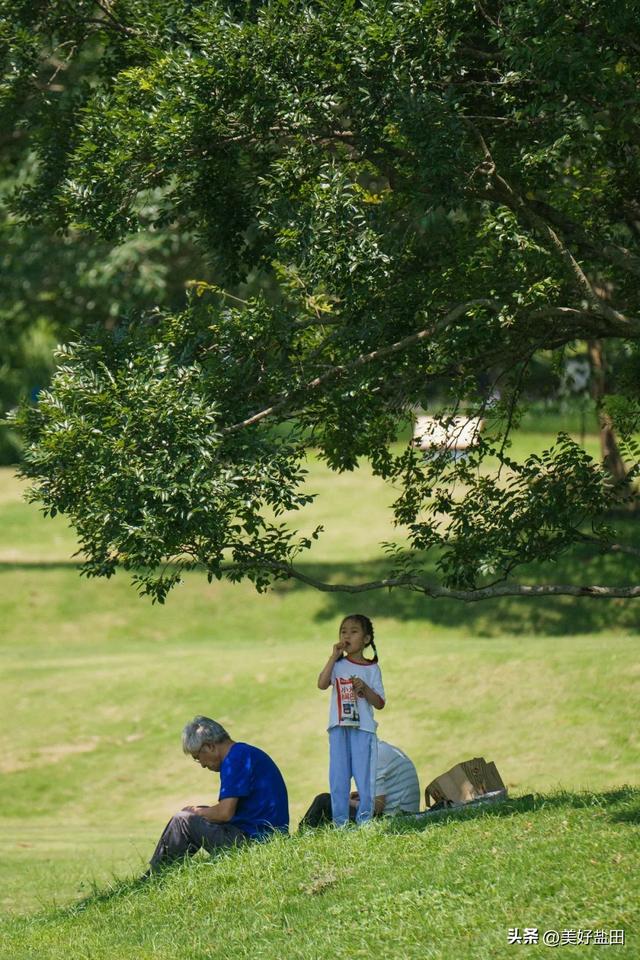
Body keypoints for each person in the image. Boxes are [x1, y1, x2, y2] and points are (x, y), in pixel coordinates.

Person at [146, 716, 289, 872]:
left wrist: (195, 812)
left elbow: (224, 813)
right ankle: (164, 870)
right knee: (193, 815)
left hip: (256, 843)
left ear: (210, 747)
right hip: (268, 837)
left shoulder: (235, 759)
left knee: (183, 820)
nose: (202, 765)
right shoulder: (244, 753)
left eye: (197, 757)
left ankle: (155, 875)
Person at [317, 614, 385, 826]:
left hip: (363, 728)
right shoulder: (337, 665)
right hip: (339, 727)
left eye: (353, 631)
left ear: (366, 639)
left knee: (364, 777)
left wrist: (364, 688)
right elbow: (321, 683)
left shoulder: (372, 668)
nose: (347, 635)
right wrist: (332, 657)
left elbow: (380, 703)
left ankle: (365, 821)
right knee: (338, 776)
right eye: (343, 631)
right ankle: (340, 823)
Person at [299, 740, 421, 828]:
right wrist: (362, 796)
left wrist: (346, 800)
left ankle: (301, 837)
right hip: (404, 814)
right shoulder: (380, 749)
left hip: (393, 819)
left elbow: (376, 808)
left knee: (324, 800)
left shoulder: (372, 760)